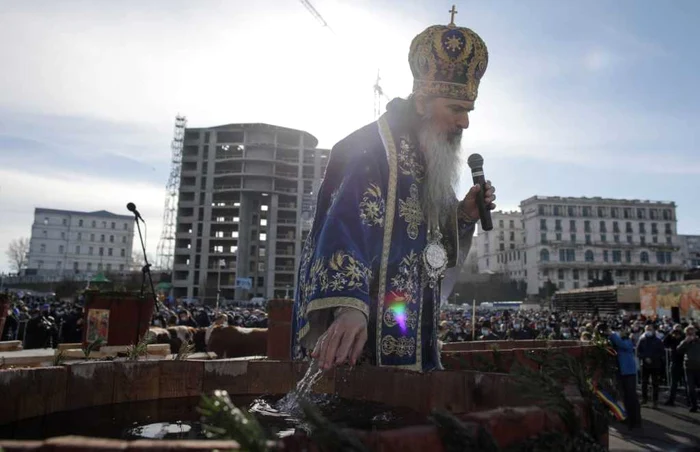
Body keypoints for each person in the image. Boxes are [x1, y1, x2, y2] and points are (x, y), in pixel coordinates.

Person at [291, 13, 494, 372]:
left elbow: (428, 246)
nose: (465, 122)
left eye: (468, 110)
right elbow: (342, 229)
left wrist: (462, 216)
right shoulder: (370, 149)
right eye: (457, 109)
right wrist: (349, 307)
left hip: (413, 328)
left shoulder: (429, 158)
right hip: (364, 337)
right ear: (421, 103)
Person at [609, 329, 642, 429]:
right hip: (620, 372)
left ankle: (636, 419)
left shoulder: (626, 340)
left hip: (628, 372)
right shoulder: (614, 342)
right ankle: (628, 418)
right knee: (623, 397)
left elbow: (623, 345)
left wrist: (612, 334)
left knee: (631, 396)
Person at [636, 324, 665, 408]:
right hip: (644, 365)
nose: (649, 331)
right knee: (644, 383)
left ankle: (655, 401)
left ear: (653, 330)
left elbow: (662, 352)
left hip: (655, 365)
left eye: (650, 329)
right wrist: (645, 358)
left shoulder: (658, 341)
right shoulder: (642, 340)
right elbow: (638, 352)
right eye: (647, 329)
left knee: (655, 383)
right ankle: (644, 399)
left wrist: (653, 358)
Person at [677, 325, 700, 413]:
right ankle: (694, 405)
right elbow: (678, 350)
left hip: (699, 367)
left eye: (692, 332)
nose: (690, 334)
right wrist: (685, 342)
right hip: (689, 368)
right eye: (688, 332)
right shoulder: (685, 342)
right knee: (691, 388)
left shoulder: (698, 341)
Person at [663, 324, 686, 406]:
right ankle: (671, 400)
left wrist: (682, 334)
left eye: (679, 329)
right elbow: (664, 343)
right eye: (676, 329)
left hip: (685, 362)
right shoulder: (671, 338)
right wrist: (670, 333)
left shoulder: (684, 337)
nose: (677, 331)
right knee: (674, 383)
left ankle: (690, 401)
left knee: (686, 383)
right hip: (675, 362)